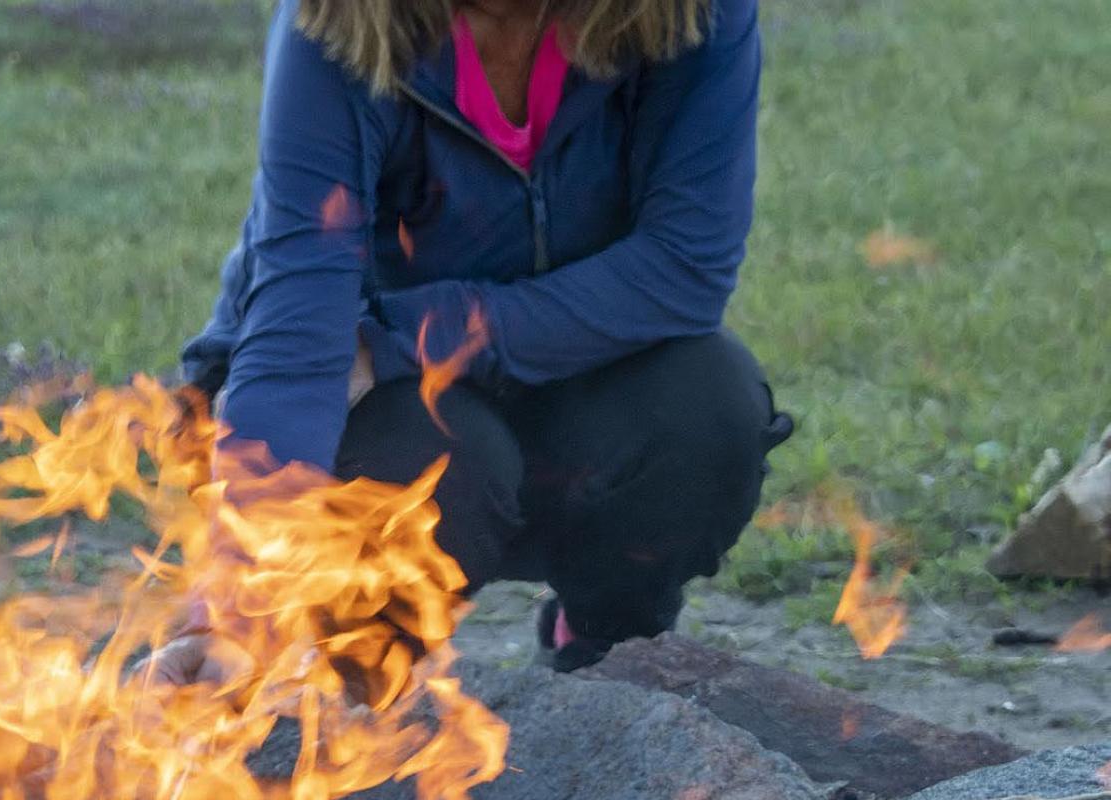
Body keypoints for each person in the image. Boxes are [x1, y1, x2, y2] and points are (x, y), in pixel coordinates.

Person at [162, 0, 794, 681]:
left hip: (557, 362)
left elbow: (682, 268)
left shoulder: (693, 12)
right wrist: (233, 601)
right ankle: (341, 703)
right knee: (438, 473)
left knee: (706, 413)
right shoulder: (339, 20)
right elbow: (299, 327)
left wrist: (410, 337)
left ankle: (606, 662)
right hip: (366, 400)